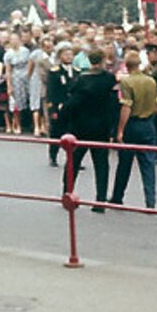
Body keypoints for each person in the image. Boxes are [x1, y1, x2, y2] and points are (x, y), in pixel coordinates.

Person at [61, 48, 117, 212]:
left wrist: (65, 120)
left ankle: (67, 193)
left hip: (81, 127)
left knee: (73, 163)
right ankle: (100, 200)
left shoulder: (81, 81)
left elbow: (71, 104)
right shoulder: (109, 79)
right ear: (102, 60)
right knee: (101, 164)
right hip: (102, 127)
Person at [109, 51, 157, 209]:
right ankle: (150, 200)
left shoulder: (127, 82)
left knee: (124, 163)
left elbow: (126, 107)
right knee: (148, 164)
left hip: (132, 124)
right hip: (148, 124)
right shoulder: (150, 81)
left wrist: (120, 130)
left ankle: (118, 196)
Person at [46, 42, 77, 167]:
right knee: (56, 132)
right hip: (60, 106)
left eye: (71, 54)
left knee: (73, 132)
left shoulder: (76, 71)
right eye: (66, 54)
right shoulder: (55, 72)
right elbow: (51, 91)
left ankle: (73, 159)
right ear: (60, 56)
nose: (69, 57)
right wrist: (53, 108)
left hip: (73, 107)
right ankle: (53, 156)